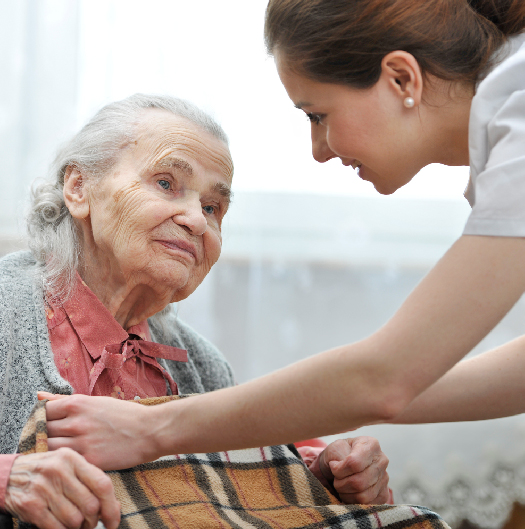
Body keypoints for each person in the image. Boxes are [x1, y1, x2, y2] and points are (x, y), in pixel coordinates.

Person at [44, 0, 525, 489]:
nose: (318, 151)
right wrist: (309, 432)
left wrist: (152, 429)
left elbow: (384, 379)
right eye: (166, 184)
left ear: (402, 80)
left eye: (317, 115)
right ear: (78, 188)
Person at [0, 93, 390, 529]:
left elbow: (223, 497)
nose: (197, 220)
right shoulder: (7, 307)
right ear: (79, 187)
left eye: (212, 208)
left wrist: (323, 476)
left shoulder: (201, 365)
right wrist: (8, 478)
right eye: (166, 183)